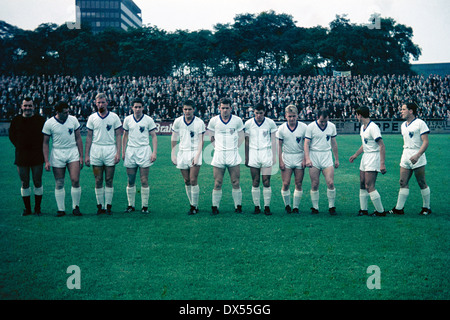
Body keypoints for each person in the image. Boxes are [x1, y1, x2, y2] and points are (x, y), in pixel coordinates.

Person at [42, 100, 84, 217]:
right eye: (64, 112)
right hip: (57, 153)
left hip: (72, 151)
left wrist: (81, 156)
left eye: (68, 111)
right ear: (57, 112)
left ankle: (76, 207)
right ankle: (61, 209)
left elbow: (78, 138)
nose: (67, 114)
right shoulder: (49, 123)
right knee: (59, 182)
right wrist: (46, 161)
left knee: (75, 180)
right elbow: (45, 143)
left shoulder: (73, 120)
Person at [389, 102, 431, 215]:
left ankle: (426, 207)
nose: (401, 111)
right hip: (406, 154)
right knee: (402, 182)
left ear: (411, 111)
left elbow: (426, 142)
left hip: (417, 154)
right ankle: (399, 208)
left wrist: (418, 155)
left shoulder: (420, 123)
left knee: (421, 182)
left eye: (403, 109)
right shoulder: (403, 125)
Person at [85, 93, 122, 215]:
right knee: (98, 179)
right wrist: (87, 154)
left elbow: (118, 135)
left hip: (110, 150)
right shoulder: (92, 118)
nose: (101, 104)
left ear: (107, 103)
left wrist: (118, 152)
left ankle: (108, 206)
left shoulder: (114, 117)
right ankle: (100, 206)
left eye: (103, 102)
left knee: (109, 179)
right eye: (99, 102)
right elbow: (89, 137)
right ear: (96, 103)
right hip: (96, 151)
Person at [206, 97, 244, 215]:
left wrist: (235, 147)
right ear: (219, 108)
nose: (225, 110)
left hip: (233, 154)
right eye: (223, 108)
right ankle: (215, 206)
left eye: (227, 108)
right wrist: (217, 147)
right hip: (219, 155)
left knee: (235, 182)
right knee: (217, 182)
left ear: (231, 108)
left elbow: (242, 136)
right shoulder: (214, 121)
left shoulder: (237, 120)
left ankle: (238, 206)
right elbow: (211, 136)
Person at [9, 97, 45, 216]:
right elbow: (12, 136)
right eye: (25, 105)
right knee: (24, 182)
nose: (27, 108)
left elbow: (44, 137)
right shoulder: (16, 120)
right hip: (22, 155)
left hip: (36, 154)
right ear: (21, 107)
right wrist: (20, 146)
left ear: (34, 107)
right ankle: (27, 209)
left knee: (37, 181)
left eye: (30, 105)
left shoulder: (40, 120)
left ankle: (38, 208)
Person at [349, 106, 387, 217]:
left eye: (356, 115)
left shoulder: (373, 127)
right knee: (362, 183)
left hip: (373, 157)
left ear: (360, 115)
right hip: (365, 157)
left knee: (369, 185)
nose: (356, 117)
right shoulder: (362, 127)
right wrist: (356, 154)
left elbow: (381, 145)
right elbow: (365, 144)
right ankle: (363, 209)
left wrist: (382, 163)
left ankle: (380, 211)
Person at [122, 98, 158, 214]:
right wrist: (123, 151)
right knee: (130, 180)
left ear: (143, 107)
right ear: (132, 108)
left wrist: (154, 152)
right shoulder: (127, 120)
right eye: (135, 107)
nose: (137, 109)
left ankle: (144, 206)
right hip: (131, 151)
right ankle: (130, 205)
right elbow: (124, 136)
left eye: (139, 107)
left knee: (144, 180)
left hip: (144, 151)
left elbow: (153, 136)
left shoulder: (148, 120)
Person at [171, 99, 205, 215]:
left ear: (193, 110)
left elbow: (201, 141)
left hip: (194, 152)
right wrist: (173, 154)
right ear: (182, 110)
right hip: (182, 152)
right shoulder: (178, 121)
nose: (187, 111)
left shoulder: (199, 122)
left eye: (189, 109)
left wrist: (197, 155)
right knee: (186, 181)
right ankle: (192, 204)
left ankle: (194, 206)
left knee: (193, 179)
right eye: (185, 109)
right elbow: (174, 138)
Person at [304, 108, 339, 215]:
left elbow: (333, 143)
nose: (323, 123)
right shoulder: (311, 127)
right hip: (314, 156)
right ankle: (315, 208)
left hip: (326, 156)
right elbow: (306, 143)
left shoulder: (332, 126)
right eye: (321, 121)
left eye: (325, 121)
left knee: (330, 182)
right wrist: (307, 158)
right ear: (317, 118)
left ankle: (331, 206)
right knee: (314, 183)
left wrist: (336, 158)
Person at [244, 103, 278, 215]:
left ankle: (267, 207)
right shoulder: (248, 124)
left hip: (266, 152)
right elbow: (247, 142)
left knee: (266, 181)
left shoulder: (270, 123)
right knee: (255, 181)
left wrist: (274, 155)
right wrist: (247, 157)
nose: (259, 115)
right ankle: (257, 206)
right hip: (254, 153)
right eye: (257, 113)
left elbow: (273, 140)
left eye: (261, 113)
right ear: (253, 112)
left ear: (264, 113)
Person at [277, 105, 308, 214]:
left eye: (294, 116)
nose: (292, 119)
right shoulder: (281, 128)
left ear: (297, 116)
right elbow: (279, 146)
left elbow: (306, 144)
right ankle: (287, 205)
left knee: (298, 183)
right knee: (286, 183)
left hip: (299, 156)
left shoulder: (304, 127)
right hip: (287, 157)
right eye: (289, 116)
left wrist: (305, 158)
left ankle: (295, 207)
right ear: (286, 116)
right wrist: (280, 160)